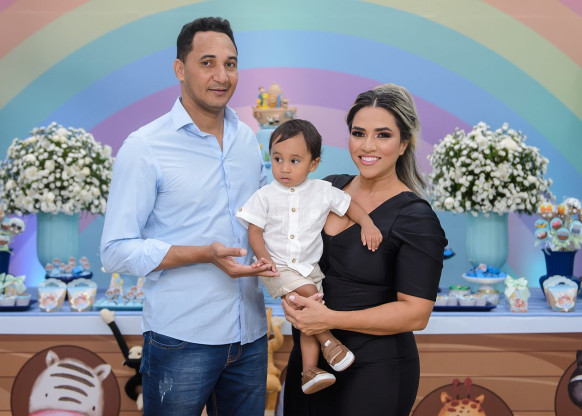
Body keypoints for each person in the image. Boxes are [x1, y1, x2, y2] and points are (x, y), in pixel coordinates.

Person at [100, 17, 277, 416]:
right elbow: (115, 251)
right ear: (180, 69)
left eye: (230, 64)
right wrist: (202, 253)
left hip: (251, 335)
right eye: (207, 63)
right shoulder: (145, 147)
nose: (222, 76)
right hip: (181, 338)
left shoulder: (246, 140)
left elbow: (264, 219)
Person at [282, 83, 448, 415]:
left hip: (376, 369)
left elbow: (416, 313)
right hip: (309, 365)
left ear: (404, 144)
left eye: (382, 135)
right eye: (358, 133)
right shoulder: (328, 187)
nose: (367, 146)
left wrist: (328, 318)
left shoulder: (415, 217)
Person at [235, 119, 383, 395]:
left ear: (313, 164)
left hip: (310, 270)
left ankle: (309, 372)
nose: (284, 168)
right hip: (277, 268)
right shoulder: (264, 196)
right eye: (277, 159)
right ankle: (330, 344)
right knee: (309, 300)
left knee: (309, 317)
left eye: (294, 161)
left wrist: (368, 224)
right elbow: (254, 232)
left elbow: (350, 205)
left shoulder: (323, 191)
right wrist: (264, 258)